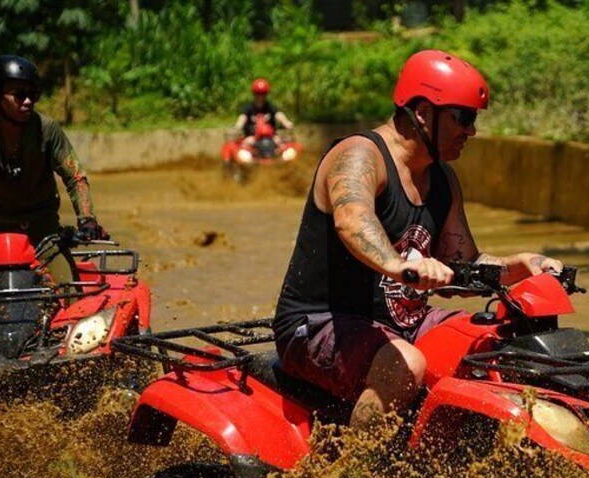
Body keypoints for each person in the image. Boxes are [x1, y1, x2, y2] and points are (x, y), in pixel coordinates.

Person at [274, 49, 562, 431]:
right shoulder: (360, 155)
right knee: (405, 365)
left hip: (404, 324)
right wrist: (399, 266)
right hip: (318, 322)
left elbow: (463, 266)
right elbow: (352, 220)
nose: (471, 131)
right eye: (464, 118)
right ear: (424, 112)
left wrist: (518, 267)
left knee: (489, 343)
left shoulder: (442, 180)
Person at [0, 55, 109, 284]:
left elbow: (76, 177)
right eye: (19, 95)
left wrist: (87, 220)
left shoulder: (47, 130)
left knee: (70, 293)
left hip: (42, 233)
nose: (27, 102)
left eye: (32, 95)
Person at [234, 78, 294, 149]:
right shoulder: (248, 108)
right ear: (254, 94)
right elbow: (243, 117)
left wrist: (286, 122)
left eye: (263, 94)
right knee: (247, 142)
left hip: (270, 137)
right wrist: (238, 125)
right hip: (253, 137)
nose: (260, 96)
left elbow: (278, 115)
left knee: (278, 141)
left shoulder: (270, 106)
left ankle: (278, 155)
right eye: (258, 94)